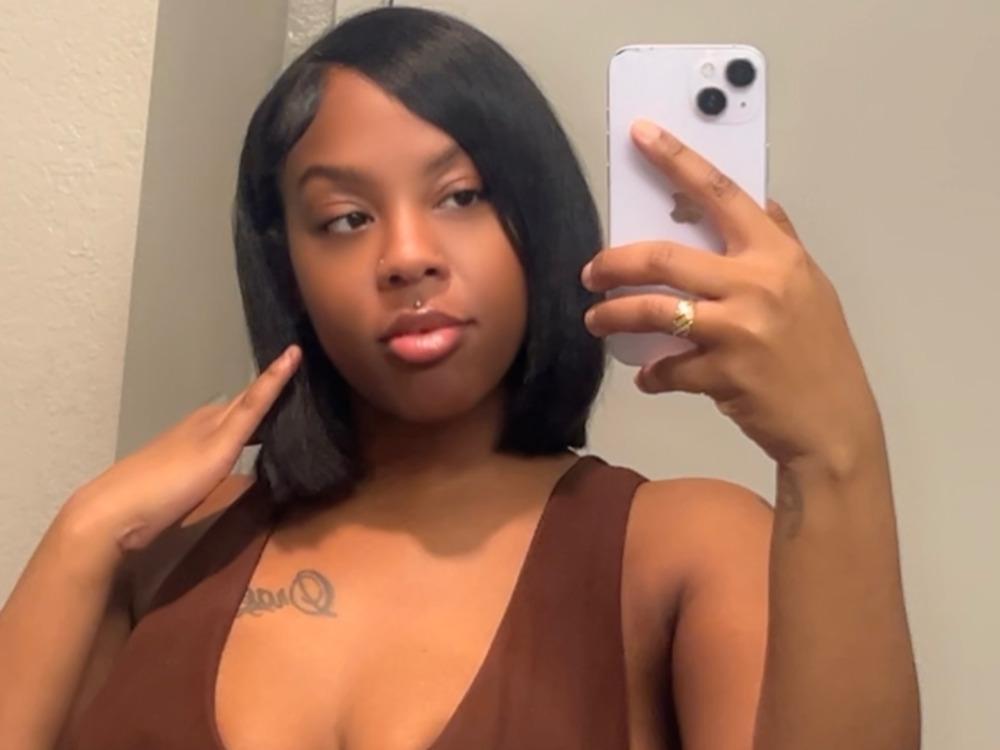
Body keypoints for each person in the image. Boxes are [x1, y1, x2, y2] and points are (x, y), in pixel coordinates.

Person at [0, 7, 919, 750]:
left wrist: (834, 453)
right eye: (347, 218)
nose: (407, 255)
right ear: (287, 268)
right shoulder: (162, 551)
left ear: (537, 217)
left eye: (461, 196)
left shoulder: (683, 550)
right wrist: (82, 534)